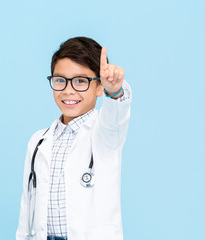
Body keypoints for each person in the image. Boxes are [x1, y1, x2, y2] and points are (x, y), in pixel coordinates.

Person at [15, 36, 132, 240]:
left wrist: (114, 91)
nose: (68, 90)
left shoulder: (105, 133)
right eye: (60, 80)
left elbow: (116, 115)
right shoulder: (38, 142)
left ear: (98, 87)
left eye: (80, 81)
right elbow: (28, 209)